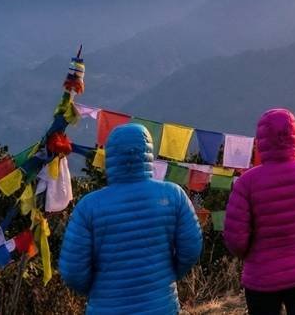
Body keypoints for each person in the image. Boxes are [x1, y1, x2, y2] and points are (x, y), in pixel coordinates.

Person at [60, 123, 203, 314]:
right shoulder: (173, 195)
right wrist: (167, 275)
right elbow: (192, 247)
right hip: (161, 306)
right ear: (148, 153)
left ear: (110, 157)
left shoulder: (89, 207)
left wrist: (99, 290)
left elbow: (72, 270)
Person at [225, 108, 295, 315]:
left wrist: (250, 254)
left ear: (261, 140)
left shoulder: (246, 183)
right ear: (294, 136)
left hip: (261, 277)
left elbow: (235, 239)